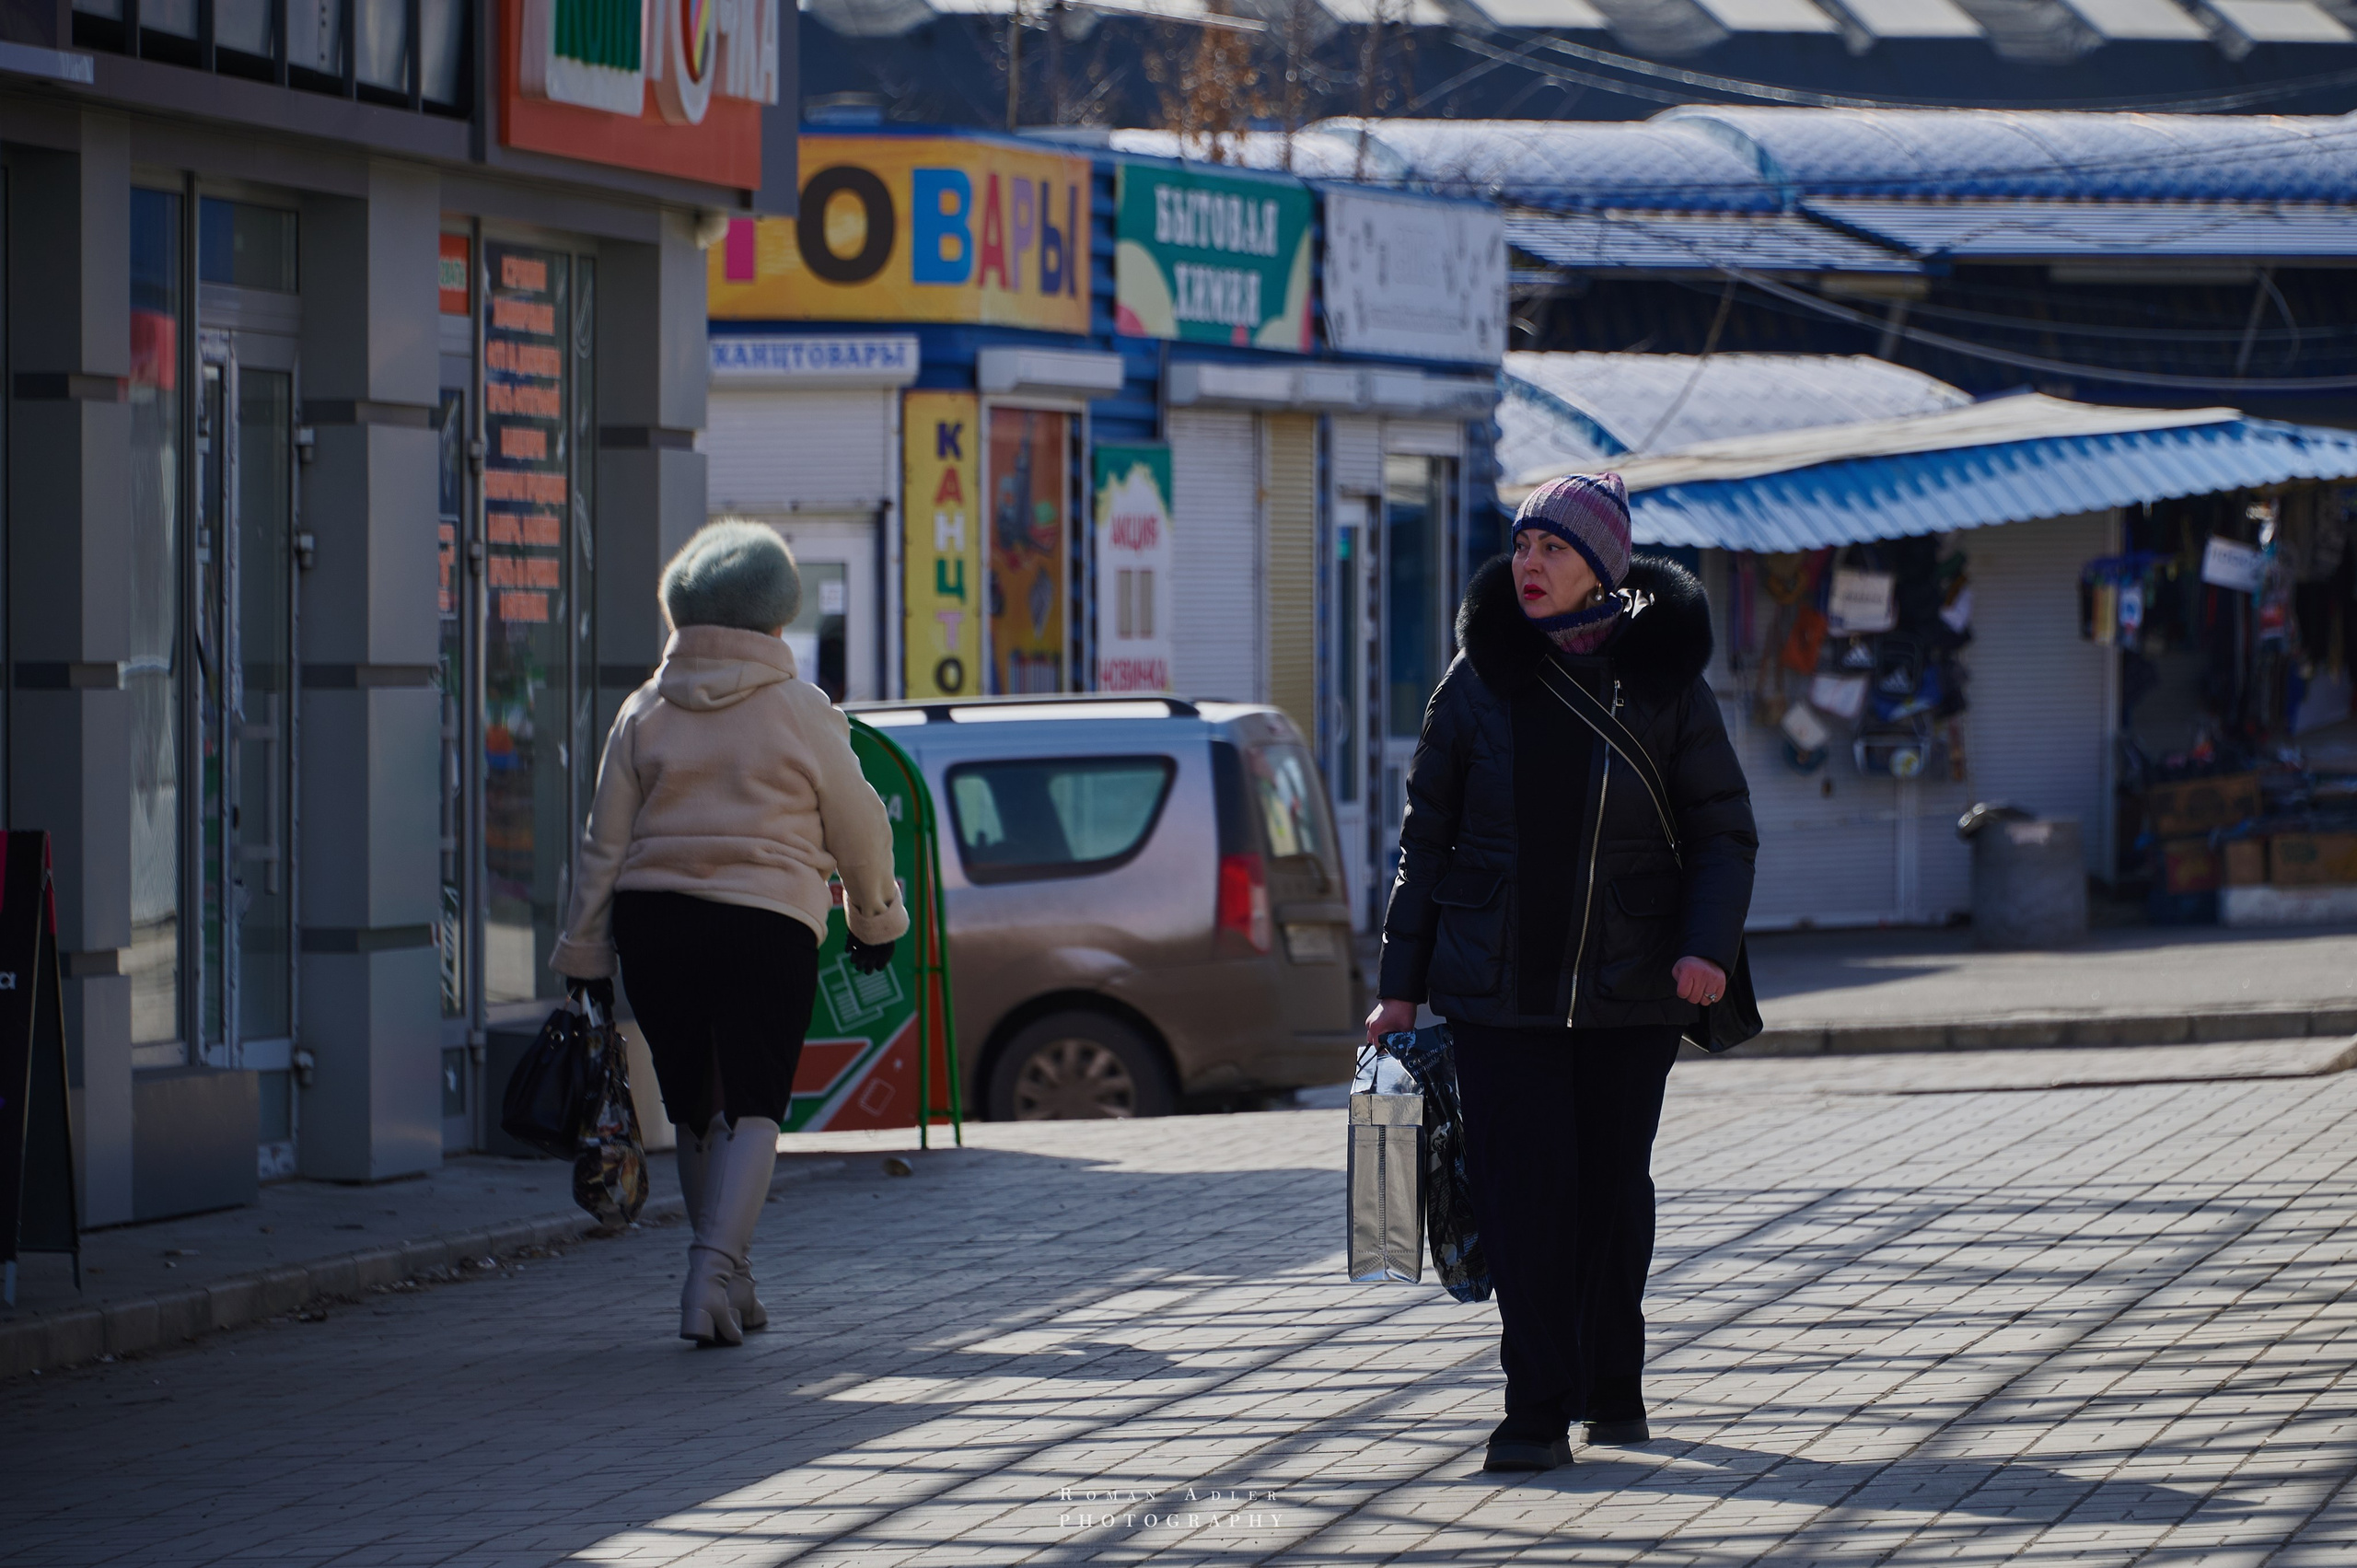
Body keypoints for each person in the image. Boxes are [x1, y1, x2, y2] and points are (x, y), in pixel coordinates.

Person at [1365, 473, 1756, 1472]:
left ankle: (1612, 1383)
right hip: (1498, 991)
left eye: (1552, 547)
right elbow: (1426, 843)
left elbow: (1721, 829)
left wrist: (1704, 946)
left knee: (1610, 1191)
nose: (1528, 563)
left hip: (1630, 988)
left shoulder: (1664, 683)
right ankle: (1533, 1411)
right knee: (1522, 1193)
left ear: (1603, 565)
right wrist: (1397, 982)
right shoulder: (1474, 678)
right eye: (1522, 544)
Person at [552, 520, 909, 1346]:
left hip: (657, 921)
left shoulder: (643, 709)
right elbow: (860, 825)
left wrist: (584, 951)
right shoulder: (800, 710)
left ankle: (731, 1281)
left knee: (695, 1105)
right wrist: (872, 916)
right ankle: (710, 1272)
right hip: (766, 921)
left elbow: (603, 842)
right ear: (774, 620)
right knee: (756, 1104)